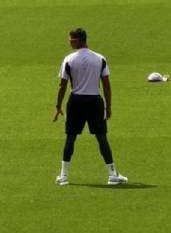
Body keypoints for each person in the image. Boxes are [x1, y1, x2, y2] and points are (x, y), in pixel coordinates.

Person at [53, 28, 127, 186]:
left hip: (76, 102)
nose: (69, 42)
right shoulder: (100, 59)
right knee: (101, 137)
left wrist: (58, 105)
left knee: (71, 137)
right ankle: (112, 175)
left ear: (80, 40)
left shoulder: (69, 59)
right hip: (95, 101)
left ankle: (63, 176)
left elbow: (62, 85)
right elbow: (106, 84)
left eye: (72, 40)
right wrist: (108, 105)